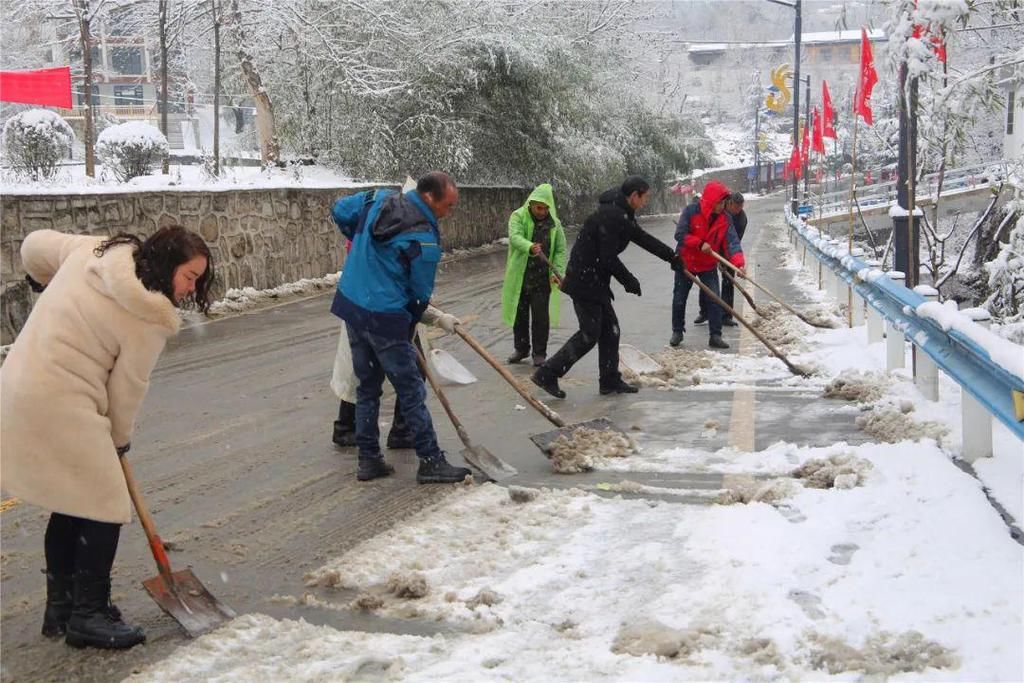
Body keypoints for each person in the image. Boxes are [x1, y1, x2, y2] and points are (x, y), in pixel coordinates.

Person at [0, 226, 213, 650]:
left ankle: (61, 609)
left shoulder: (93, 251)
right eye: (190, 277)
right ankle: (88, 615)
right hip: (62, 401)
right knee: (105, 506)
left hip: (15, 388)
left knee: (74, 501)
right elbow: (127, 390)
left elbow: (35, 245)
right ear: (168, 265)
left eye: (198, 281)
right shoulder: (148, 316)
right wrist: (118, 441)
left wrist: (41, 276)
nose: (192, 289)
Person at [331, 171, 471, 484]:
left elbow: (340, 210)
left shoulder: (376, 200)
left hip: (353, 305)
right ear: (429, 197)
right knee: (411, 390)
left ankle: (369, 460)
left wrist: (359, 240)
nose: (449, 213)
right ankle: (431, 460)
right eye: (448, 206)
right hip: (385, 317)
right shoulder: (423, 237)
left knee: (367, 387)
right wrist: (420, 319)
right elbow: (418, 295)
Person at [531, 176, 682, 399]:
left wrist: (671, 257)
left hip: (595, 281)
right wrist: (629, 280)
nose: (646, 201)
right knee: (590, 333)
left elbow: (641, 237)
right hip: (584, 281)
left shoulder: (622, 212)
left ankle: (609, 380)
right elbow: (607, 257)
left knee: (611, 331)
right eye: (645, 197)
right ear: (634, 196)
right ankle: (548, 373)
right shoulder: (611, 216)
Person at [331, 305, 459, 448]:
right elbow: (405, 294)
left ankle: (402, 431)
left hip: (393, 312)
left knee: (414, 370)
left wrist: (427, 306)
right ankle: (348, 429)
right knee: (363, 376)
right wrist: (437, 317)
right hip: (373, 313)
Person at [670, 181, 745, 350]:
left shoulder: (725, 219)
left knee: (714, 299)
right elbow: (680, 234)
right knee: (679, 299)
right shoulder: (691, 211)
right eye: (720, 202)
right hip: (686, 262)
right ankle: (677, 331)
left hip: (708, 264)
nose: (722, 206)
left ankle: (715, 335)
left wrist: (738, 264)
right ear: (711, 200)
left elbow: (732, 243)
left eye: (724, 202)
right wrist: (699, 243)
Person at [501, 183, 567, 367]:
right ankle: (521, 349)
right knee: (519, 315)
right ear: (531, 204)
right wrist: (529, 246)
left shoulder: (555, 224)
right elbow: (514, 237)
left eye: (546, 208)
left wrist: (558, 271)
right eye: (539, 207)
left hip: (541, 278)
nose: (542, 211)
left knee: (540, 317)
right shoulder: (518, 216)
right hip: (520, 276)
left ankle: (539, 353)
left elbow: (560, 250)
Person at [694, 191, 747, 327]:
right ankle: (704, 312)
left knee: (728, 281)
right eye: (736, 207)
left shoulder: (741, 219)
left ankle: (726, 315)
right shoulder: (718, 211)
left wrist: (726, 260)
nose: (738, 210)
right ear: (729, 204)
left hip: (728, 253)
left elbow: (734, 241)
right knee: (707, 281)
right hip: (710, 248)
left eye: (741, 207)